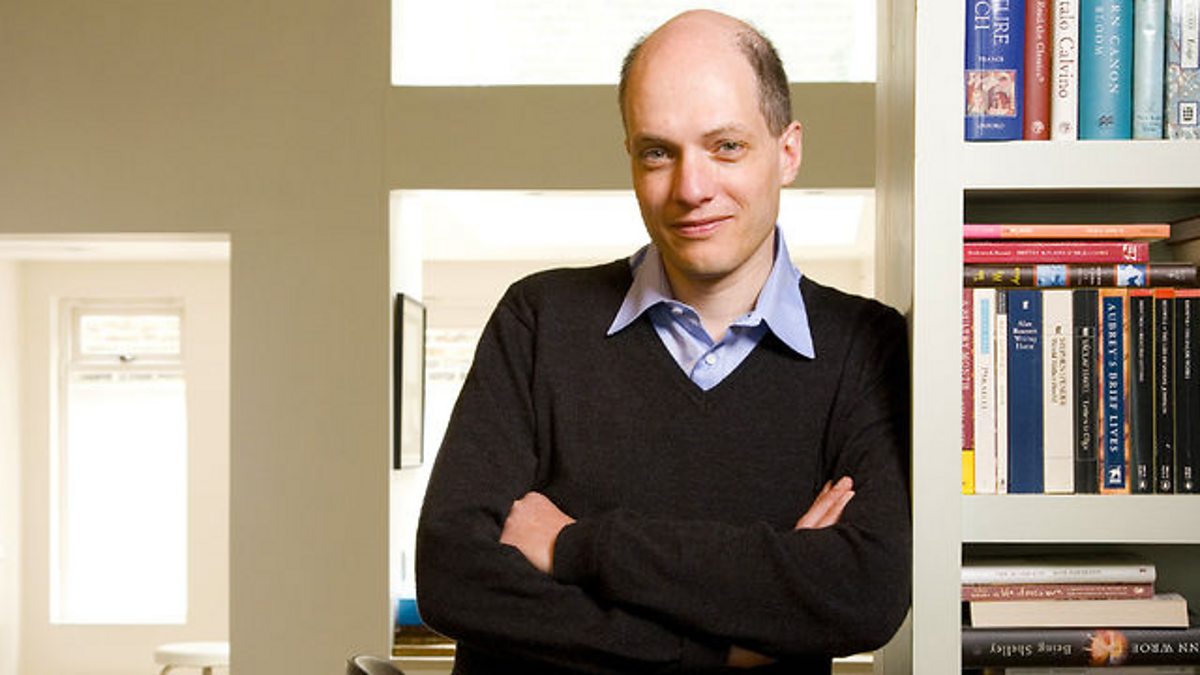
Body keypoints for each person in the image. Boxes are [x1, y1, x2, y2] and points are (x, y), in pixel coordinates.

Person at [415, 9, 911, 674]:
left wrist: (574, 546)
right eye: (658, 152)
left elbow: (864, 593)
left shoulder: (865, 345)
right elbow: (453, 575)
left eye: (726, 146)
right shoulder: (538, 320)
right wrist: (726, 647)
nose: (691, 189)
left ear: (788, 151)